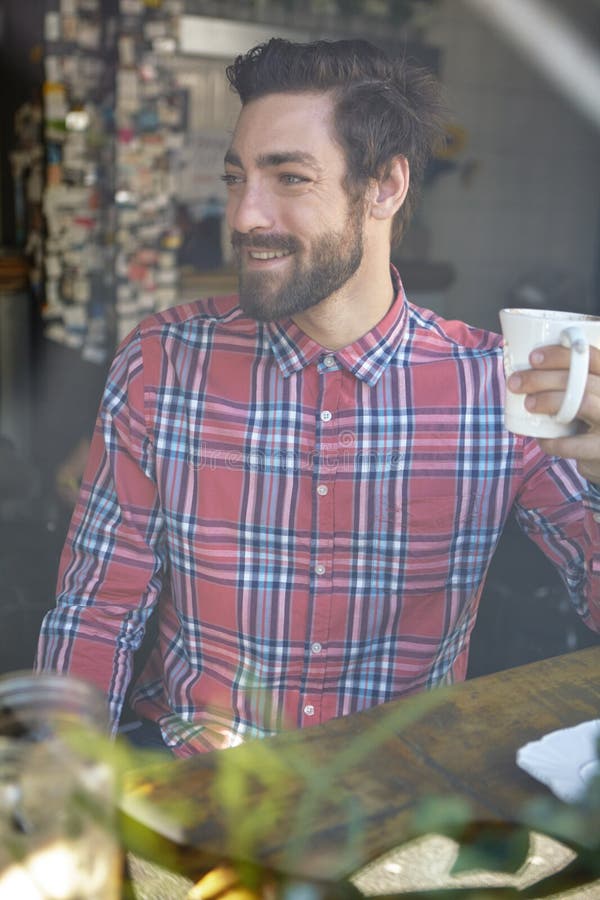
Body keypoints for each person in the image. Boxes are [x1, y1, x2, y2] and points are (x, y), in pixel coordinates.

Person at [36, 38, 600, 757]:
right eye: (236, 179)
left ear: (384, 187)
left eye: (290, 178)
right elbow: (97, 609)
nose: (243, 216)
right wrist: (56, 790)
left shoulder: (497, 384)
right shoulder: (162, 361)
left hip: (399, 784)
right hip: (195, 771)